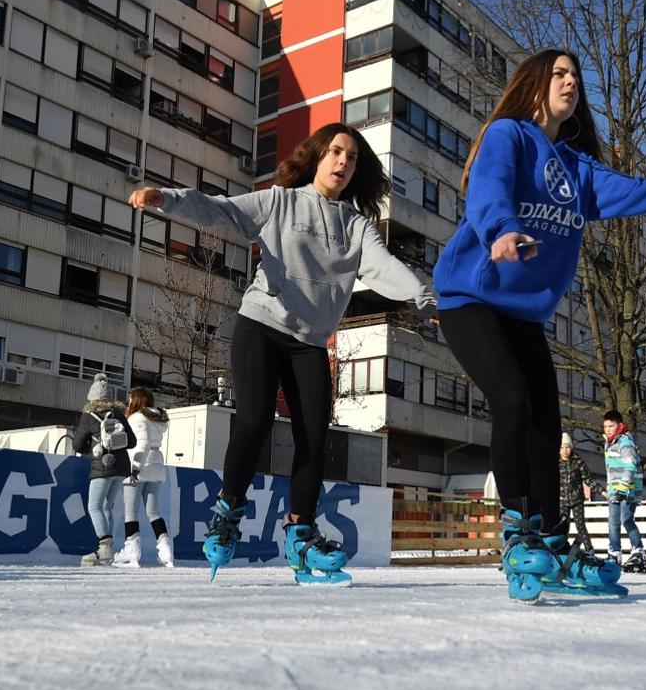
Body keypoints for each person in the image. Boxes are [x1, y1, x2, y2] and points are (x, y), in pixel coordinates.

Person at [432, 48, 646, 601]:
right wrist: (502, 230)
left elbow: (642, 194)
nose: (570, 83)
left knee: (544, 424)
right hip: (471, 298)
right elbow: (487, 188)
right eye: (559, 73)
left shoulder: (578, 170)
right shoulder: (508, 134)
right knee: (511, 402)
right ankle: (519, 533)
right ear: (534, 82)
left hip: (525, 315)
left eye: (576, 77)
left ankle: (553, 542)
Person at [128, 123, 434, 584]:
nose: (342, 163)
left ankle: (302, 534)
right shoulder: (279, 202)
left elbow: (385, 267)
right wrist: (165, 199)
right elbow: (221, 210)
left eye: (351, 158)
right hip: (261, 326)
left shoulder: (356, 227)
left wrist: (424, 296)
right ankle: (227, 514)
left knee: (315, 436)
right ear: (317, 156)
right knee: (255, 420)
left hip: (309, 343)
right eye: (335, 152)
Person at [69, 374, 134, 567]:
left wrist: (92, 447)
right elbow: (132, 442)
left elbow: (77, 444)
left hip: (102, 465)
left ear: (92, 397)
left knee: (94, 506)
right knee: (107, 506)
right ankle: (106, 552)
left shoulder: (89, 416)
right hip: (121, 466)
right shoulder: (119, 415)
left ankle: (104, 547)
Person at [111, 388, 174, 569]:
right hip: (156, 467)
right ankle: (165, 550)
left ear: (137, 400)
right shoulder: (157, 419)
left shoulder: (138, 418)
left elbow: (143, 443)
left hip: (139, 465)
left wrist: (135, 468)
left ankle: (132, 550)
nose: (129, 402)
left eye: (131, 399)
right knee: (153, 511)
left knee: (131, 510)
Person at [601, 410, 646, 575]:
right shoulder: (609, 442)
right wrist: (611, 488)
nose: (608, 429)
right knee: (613, 522)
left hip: (628, 490)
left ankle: (638, 552)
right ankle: (614, 553)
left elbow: (630, 466)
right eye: (606, 426)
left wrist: (622, 487)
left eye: (611, 426)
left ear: (620, 425)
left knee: (626, 519)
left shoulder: (625, 442)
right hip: (614, 489)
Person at [557, 433, 600, 553]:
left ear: (571, 448)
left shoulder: (578, 462)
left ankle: (589, 549)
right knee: (563, 526)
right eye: (562, 448)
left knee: (580, 525)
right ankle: (562, 548)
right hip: (561, 500)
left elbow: (588, 479)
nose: (565, 451)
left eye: (567, 447)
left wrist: (601, 491)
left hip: (577, 500)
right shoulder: (556, 463)